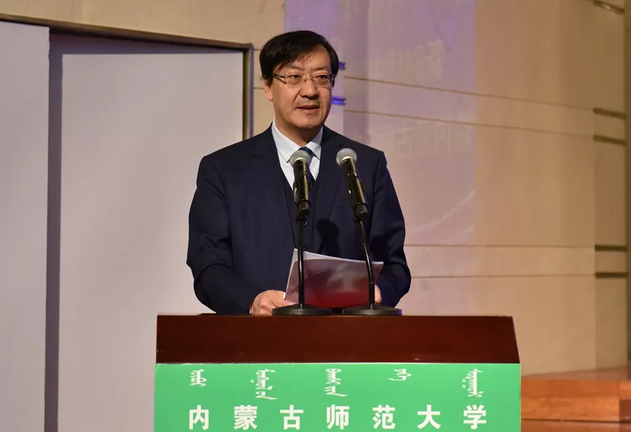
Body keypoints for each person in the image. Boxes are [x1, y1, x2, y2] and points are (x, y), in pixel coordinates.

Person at [187, 30, 410, 315]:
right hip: (258, 336)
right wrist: (251, 300)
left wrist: (380, 291)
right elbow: (208, 264)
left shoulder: (364, 164)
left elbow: (394, 264)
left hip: (346, 337)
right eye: (294, 77)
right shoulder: (223, 170)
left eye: (322, 78)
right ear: (268, 86)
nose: (310, 91)